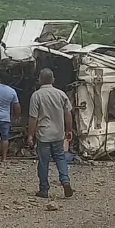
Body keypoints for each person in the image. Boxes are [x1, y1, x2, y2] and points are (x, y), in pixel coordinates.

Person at [27, 68, 73, 198]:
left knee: (43, 162)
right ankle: (65, 180)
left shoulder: (37, 95)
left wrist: (30, 135)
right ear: (53, 79)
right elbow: (68, 113)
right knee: (60, 157)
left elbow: (33, 117)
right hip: (58, 133)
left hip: (44, 134)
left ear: (39, 80)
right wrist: (69, 130)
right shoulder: (61, 94)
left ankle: (44, 189)